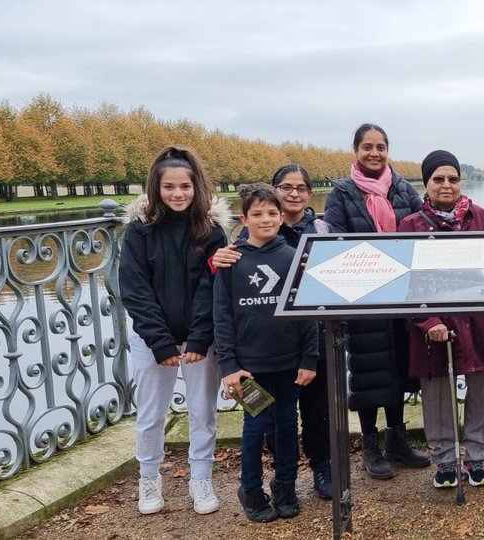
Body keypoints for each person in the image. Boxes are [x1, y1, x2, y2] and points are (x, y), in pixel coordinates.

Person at [210, 164, 334, 499]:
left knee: (286, 426)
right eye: (258, 214)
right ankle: (249, 490)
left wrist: (309, 359)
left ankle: (286, 487)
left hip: (288, 366)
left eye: (272, 214)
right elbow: (222, 317)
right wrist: (228, 366)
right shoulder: (231, 262)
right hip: (248, 368)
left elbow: (307, 314)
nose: (266, 219)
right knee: (254, 428)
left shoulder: (294, 258)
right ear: (244, 218)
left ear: (281, 217)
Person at [120, 146, 230, 515]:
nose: (178, 194)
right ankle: (149, 478)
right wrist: (161, 342)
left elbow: (212, 288)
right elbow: (136, 290)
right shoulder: (139, 233)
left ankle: (201, 477)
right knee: (151, 414)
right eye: (169, 187)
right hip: (152, 340)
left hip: (200, 339)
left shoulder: (212, 233)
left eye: (185, 186)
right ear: (156, 189)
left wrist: (199, 339)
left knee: (203, 411)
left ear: (196, 187)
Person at [400, 150, 484, 489]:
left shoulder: (481, 218)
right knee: (437, 394)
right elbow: (408, 282)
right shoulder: (411, 225)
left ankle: (477, 457)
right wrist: (428, 321)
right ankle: (445, 461)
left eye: (453, 178)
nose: (446, 185)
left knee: (482, 391)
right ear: (427, 184)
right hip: (435, 327)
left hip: (481, 321)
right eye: (438, 179)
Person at [324, 123, 430, 479]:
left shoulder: (404, 189)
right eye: (367, 146)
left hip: (401, 295)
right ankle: (370, 444)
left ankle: (396, 439)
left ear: (388, 150)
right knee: (368, 371)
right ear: (356, 150)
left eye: (380, 146)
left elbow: (419, 228)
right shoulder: (341, 193)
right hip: (363, 296)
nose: (374, 153)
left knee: (399, 368)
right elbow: (337, 242)